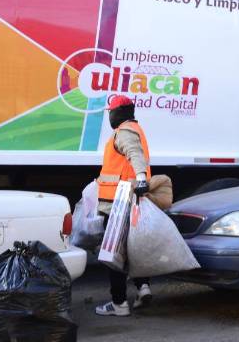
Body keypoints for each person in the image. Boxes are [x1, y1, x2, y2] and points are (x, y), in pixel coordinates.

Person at [94, 95, 153, 317]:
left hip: (118, 203)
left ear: (118, 112)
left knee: (114, 254)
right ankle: (142, 286)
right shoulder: (136, 128)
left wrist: (140, 178)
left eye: (111, 111)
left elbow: (134, 155)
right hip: (131, 200)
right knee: (133, 248)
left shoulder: (124, 131)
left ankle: (119, 303)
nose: (110, 115)